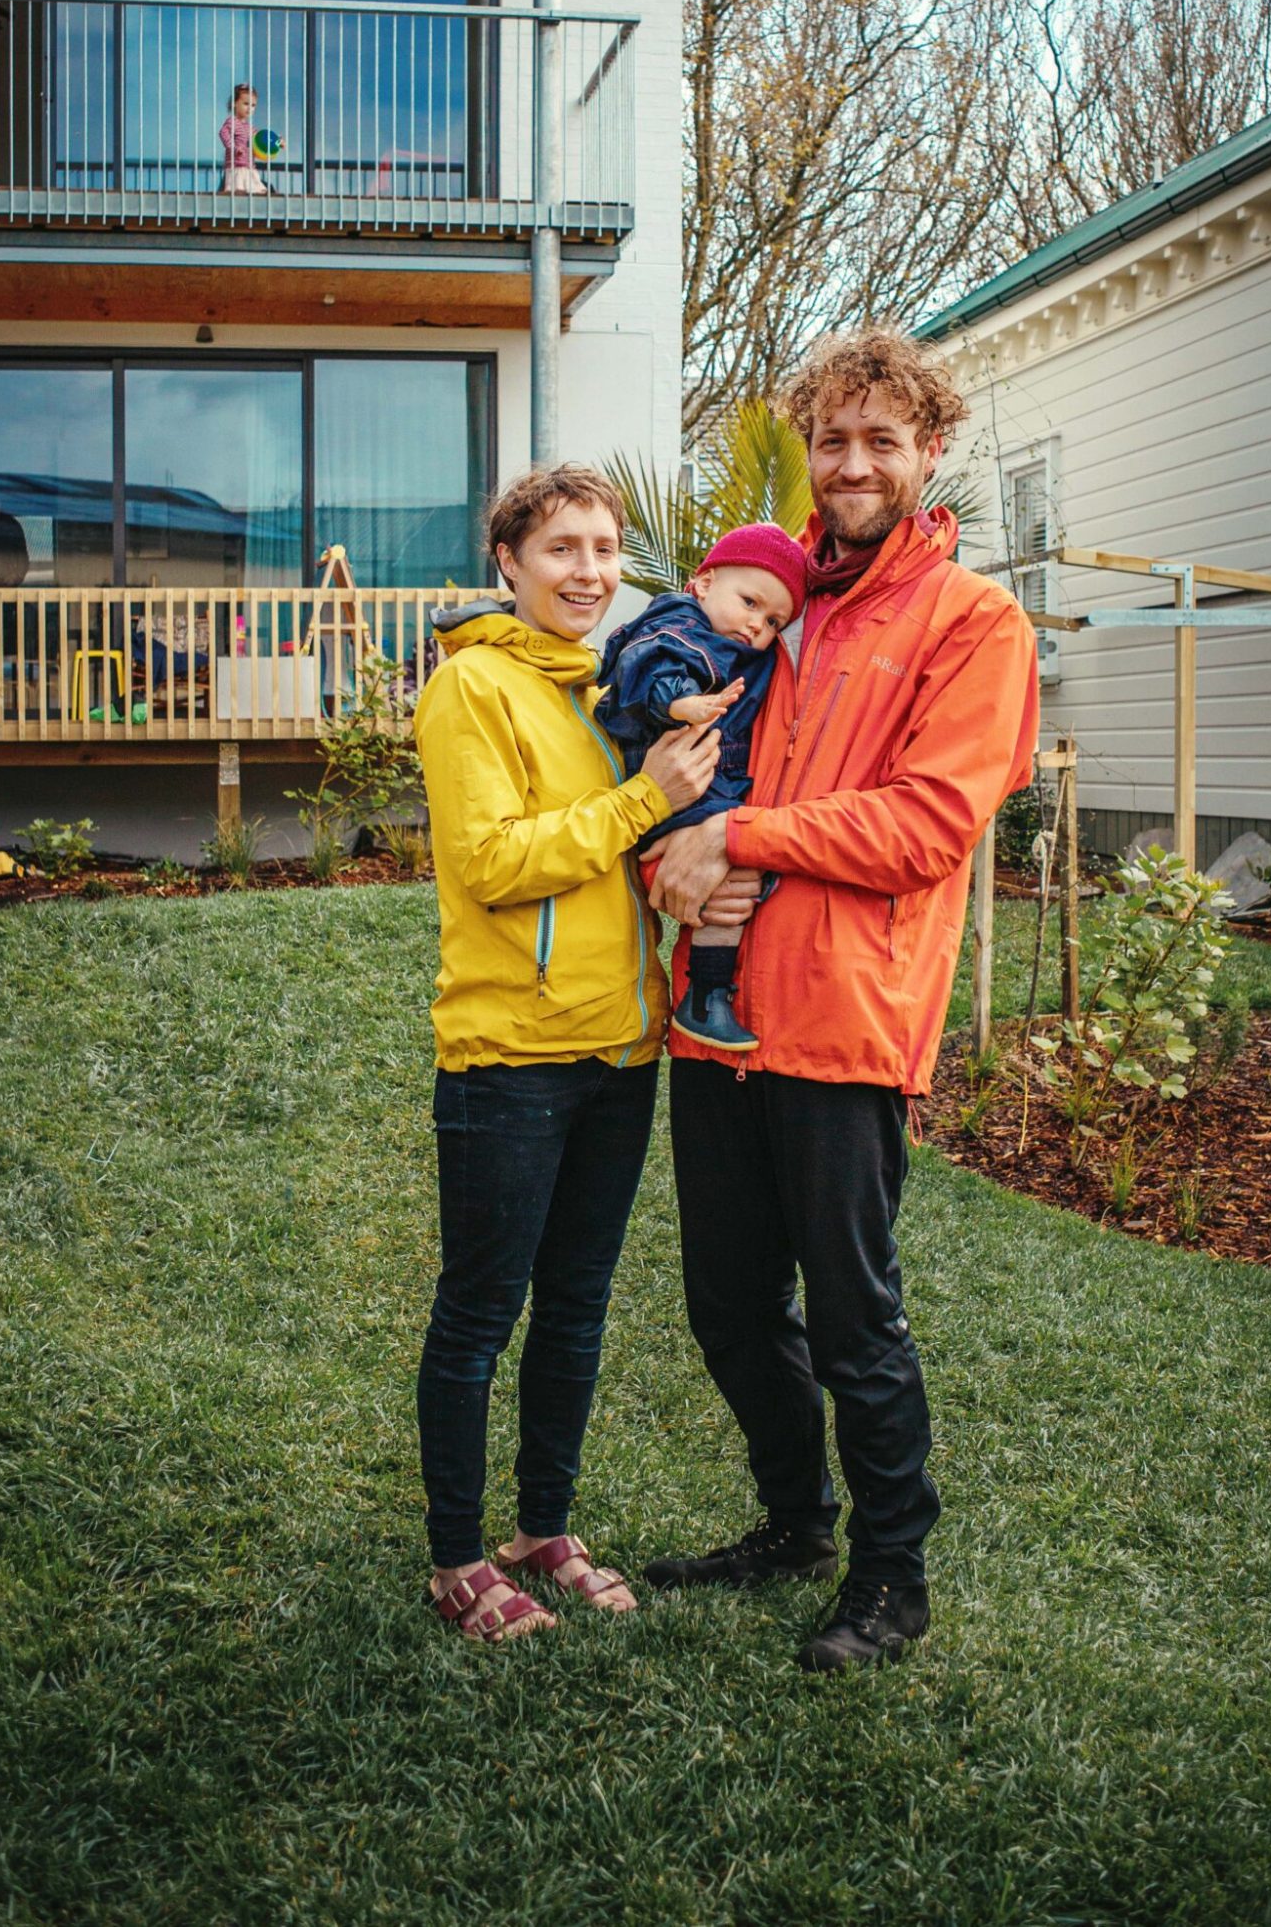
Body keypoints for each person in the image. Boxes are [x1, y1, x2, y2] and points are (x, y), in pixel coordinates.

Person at [641, 327, 1039, 1673]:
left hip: (843, 1025)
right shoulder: (764, 605)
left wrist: (743, 846)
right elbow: (671, 769)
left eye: (881, 439)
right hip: (714, 1020)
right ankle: (791, 1523)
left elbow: (927, 823)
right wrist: (672, 867)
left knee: (855, 1319)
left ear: (929, 454)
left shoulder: (970, 624)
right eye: (832, 439)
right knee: (725, 1304)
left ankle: (889, 1579)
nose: (852, 462)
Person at [412, 464, 721, 1645]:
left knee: (577, 1305)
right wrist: (644, 801)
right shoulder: (471, 688)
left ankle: (541, 1527)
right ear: (510, 563)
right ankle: (454, 1556)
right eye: (561, 550)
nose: (588, 570)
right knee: (480, 1310)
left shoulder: (611, 690)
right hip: (511, 1053)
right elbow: (493, 864)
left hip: (619, 1046)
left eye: (603, 549)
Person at [594, 523, 807, 1051]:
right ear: (704, 582)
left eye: (773, 619)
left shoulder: (743, 648)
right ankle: (706, 996)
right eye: (750, 601)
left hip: (706, 785)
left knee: (741, 875)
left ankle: (707, 996)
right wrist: (681, 703)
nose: (757, 624)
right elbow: (645, 664)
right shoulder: (680, 623)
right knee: (736, 877)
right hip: (673, 782)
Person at [219, 82, 267, 193]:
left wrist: (278, 142)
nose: (250, 108)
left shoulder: (250, 128)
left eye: (253, 105)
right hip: (236, 165)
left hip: (249, 165)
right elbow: (223, 133)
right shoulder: (232, 122)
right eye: (246, 104)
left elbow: (262, 139)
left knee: (256, 187)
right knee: (238, 187)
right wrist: (234, 148)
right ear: (235, 103)